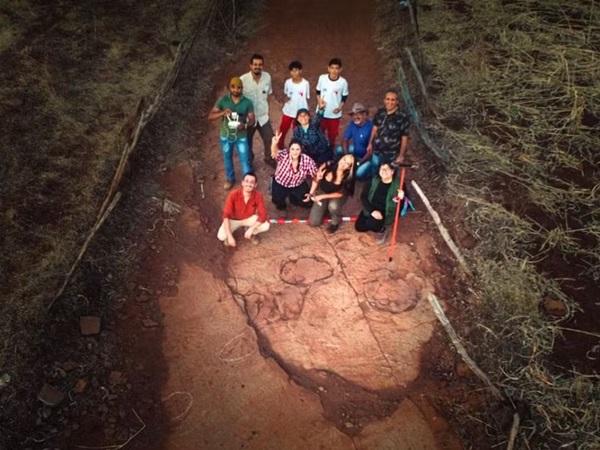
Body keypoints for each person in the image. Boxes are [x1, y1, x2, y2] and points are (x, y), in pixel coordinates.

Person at [208, 77, 255, 190]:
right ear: (229, 88)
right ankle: (230, 179)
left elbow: (252, 120)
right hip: (226, 135)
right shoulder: (223, 100)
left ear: (242, 88)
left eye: (238, 87)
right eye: (233, 87)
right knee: (227, 158)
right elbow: (210, 117)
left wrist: (244, 125)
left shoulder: (247, 102)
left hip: (241, 136)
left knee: (245, 159)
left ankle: (248, 182)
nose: (236, 90)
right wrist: (223, 112)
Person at [362, 89, 411, 177]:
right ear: (384, 100)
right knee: (375, 171)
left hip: (391, 153)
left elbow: (404, 137)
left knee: (388, 175)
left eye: (393, 100)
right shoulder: (380, 112)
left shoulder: (402, 116)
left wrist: (401, 155)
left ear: (397, 101)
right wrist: (370, 144)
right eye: (388, 99)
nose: (390, 102)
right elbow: (375, 128)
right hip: (377, 150)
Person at [355, 162, 404, 243]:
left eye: (387, 169)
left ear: (392, 171)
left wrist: (401, 198)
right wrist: (372, 211)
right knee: (359, 227)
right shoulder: (373, 180)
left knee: (373, 224)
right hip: (372, 208)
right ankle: (375, 223)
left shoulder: (399, 184)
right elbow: (363, 197)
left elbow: (401, 203)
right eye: (382, 169)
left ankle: (382, 228)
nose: (384, 171)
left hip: (386, 211)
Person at [306, 154, 356, 234]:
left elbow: (340, 194)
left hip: (336, 195)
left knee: (333, 206)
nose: (343, 163)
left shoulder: (347, 178)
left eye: (347, 163)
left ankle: (335, 222)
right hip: (323, 191)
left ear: (349, 167)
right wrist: (311, 193)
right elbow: (315, 180)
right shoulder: (328, 165)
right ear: (340, 158)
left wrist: (322, 197)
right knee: (314, 222)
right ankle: (325, 208)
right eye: (344, 159)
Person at [240, 54, 274, 167]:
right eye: (255, 64)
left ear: (263, 66)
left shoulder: (267, 77)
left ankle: (268, 157)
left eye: (260, 65)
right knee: (247, 141)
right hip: (248, 118)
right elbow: (237, 100)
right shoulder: (243, 80)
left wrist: (267, 111)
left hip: (263, 116)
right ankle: (250, 159)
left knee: (270, 138)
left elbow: (268, 94)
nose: (257, 67)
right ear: (250, 65)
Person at [217, 172, 270, 247]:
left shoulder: (258, 196)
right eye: (246, 181)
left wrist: (252, 228)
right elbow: (226, 216)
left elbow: (263, 215)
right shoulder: (233, 194)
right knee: (221, 236)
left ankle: (251, 233)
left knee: (266, 226)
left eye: (252, 182)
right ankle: (229, 235)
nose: (249, 184)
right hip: (234, 220)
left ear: (255, 185)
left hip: (248, 218)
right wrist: (229, 236)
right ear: (242, 183)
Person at [270, 131, 317, 211]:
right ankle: (281, 205)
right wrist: (274, 144)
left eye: (297, 149)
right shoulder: (284, 155)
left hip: (297, 184)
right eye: (292, 149)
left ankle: (294, 200)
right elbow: (274, 153)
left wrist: (311, 193)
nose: (295, 152)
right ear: (289, 149)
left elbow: (315, 177)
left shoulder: (307, 160)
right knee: (278, 202)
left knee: (307, 202)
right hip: (280, 183)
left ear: (301, 150)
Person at [316, 58, 349, 150]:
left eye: (336, 68)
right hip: (321, 112)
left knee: (332, 136)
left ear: (340, 70)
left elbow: (345, 96)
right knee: (319, 133)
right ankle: (319, 152)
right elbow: (318, 91)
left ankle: (330, 154)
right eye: (332, 68)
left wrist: (339, 107)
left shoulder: (343, 82)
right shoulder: (322, 78)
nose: (334, 70)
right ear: (328, 68)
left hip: (334, 115)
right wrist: (319, 102)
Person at [277, 61, 310, 149]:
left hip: (300, 113)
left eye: (296, 70)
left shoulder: (305, 83)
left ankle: (298, 148)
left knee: (298, 131)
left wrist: (305, 112)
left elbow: (306, 97)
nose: (294, 73)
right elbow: (286, 95)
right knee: (283, 129)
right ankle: (280, 146)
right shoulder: (288, 82)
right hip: (288, 110)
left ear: (300, 71)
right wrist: (284, 100)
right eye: (292, 71)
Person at [339, 102, 374, 180]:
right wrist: (346, 155)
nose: (355, 117)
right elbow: (345, 140)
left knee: (359, 174)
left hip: (367, 157)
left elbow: (371, 151)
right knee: (338, 150)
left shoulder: (371, 127)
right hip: (355, 151)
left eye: (358, 114)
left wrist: (359, 162)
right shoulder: (352, 124)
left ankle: (371, 174)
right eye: (354, 115)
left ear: (365, 115)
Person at [292, 97, 332, 165]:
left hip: (322, 153)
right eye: (300, 116)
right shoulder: (297, 130)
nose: (303, 118)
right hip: (309, 155)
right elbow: (296, 143)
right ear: (297, 119)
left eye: (305, 115)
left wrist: (321, 108)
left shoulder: (314, 124)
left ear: (309, 117)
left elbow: (318, 116)